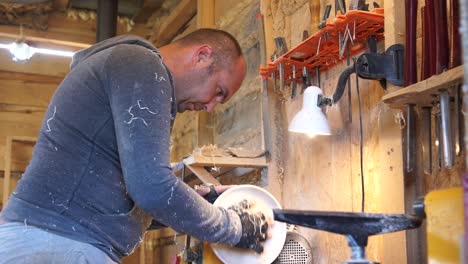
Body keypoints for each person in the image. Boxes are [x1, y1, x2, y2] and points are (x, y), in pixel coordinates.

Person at [0, 29, 269, 263]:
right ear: (202, 56)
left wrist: (203, 203)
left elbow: (128, 199)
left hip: (49, 240)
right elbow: (151, 188)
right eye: (219, 91)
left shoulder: (132, 72)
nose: (210, 108)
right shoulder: (143, 66)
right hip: (57, 243)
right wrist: (233, 227)